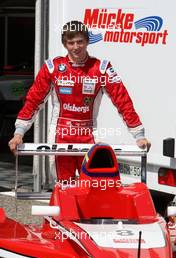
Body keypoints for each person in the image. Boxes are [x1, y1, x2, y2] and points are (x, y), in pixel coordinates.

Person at [8, 20, 151, 181]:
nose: (76, 47)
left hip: (89, 135)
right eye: (71, 43)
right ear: (64, 44)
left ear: (87, 41)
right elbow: (33, 101)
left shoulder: (102, 68)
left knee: (92, 187)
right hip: (60, 136)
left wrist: (138, 135)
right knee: (64, 187)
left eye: (80, 41)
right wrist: (19, 133)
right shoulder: (52, 67)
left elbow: (122, 101)